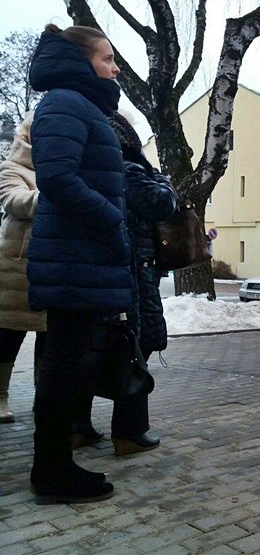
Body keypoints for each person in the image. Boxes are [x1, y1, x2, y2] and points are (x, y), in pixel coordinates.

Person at [27, 23, 132, 503]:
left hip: (81, 257)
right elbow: (57, 179)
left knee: (66, 366)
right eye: (108, 59)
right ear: (81, 61)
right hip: (74, 257)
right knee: (62, 367)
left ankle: (55, 466)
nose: (115, 69)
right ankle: (50, 472)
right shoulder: (65, 102)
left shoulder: (82, 105)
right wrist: (112, 220)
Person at [72, 111, 178, 456]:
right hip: (134, 275)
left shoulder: (88, 170)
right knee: (133, 349)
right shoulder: (129, 170)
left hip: (102, 273)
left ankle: (78, 427)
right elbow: (163, 203)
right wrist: (163, 179)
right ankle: (129, 433)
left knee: (92, 349)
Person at [0, 113, 47, 424]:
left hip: (52, 266)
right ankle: (0, 395)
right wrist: (58, 194)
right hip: (15, 269)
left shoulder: (62, 166)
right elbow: (13, 200)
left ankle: (45, 397)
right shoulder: (11, 168)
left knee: (50, 338)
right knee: (7, 336)